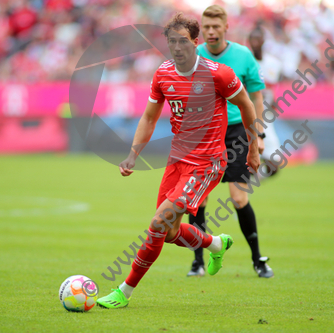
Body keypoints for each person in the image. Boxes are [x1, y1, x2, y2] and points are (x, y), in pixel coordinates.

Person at [96, 13, 260, 309]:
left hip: (207, 163)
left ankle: (124, 291)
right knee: (169, 233)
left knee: (158, 222)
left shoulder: (218, 74)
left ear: (195, 43)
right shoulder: (163, 74)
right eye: (172, 41)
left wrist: (253, 149)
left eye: (183, 41)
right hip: (177, 162)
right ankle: (215, 244)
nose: (177, 47)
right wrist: (134, 154)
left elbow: (247, 105)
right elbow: (149, 116)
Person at [187, 5, 274, 278]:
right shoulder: (194, 56)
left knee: (238, 198)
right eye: (206, 27)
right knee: (198, 200)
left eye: (215, 27)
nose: (210, 31)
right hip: (206, 132)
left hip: (236, 132)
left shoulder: (243, 55)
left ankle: (258, 260)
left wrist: (258, 134)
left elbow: (256, 96)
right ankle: (197, 262)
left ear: (226, 28)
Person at [248, 26, 282, 178]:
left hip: (265, 116)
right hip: (246, 115)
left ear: (263, 41)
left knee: (274, 164)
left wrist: (274, 102)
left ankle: (250, 179)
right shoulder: (245, 62)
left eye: (258, 39)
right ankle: (241, 183)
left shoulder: (273, 63)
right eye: (252, 39)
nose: (255, 42)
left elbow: (271, 88)